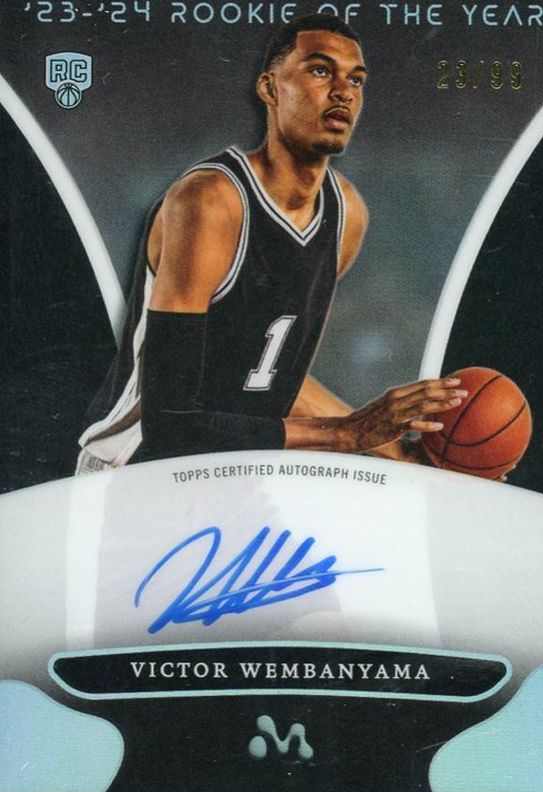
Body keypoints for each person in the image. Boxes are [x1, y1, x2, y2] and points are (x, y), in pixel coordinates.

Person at [76, 13, 467, 473]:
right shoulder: (210, 200)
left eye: (356, 79)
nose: (343, 91)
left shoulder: (346, 214)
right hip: (135, 466)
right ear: (269, 87)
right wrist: (345, 434)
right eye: (320, 70)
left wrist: (403, 451)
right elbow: (170, 426)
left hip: (237, 465)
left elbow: (269, 377)